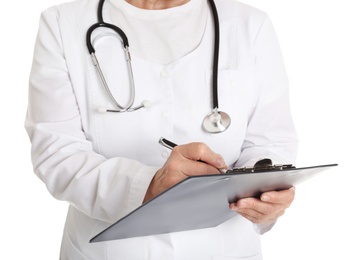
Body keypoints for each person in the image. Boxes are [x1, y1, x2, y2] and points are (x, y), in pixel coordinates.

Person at [25, 0, 298, 259]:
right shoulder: (63, 24)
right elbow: (57, 154)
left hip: (226, 248)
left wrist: (265, 193)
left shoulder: (250, 25)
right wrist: (148, 184)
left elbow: (271, 142)